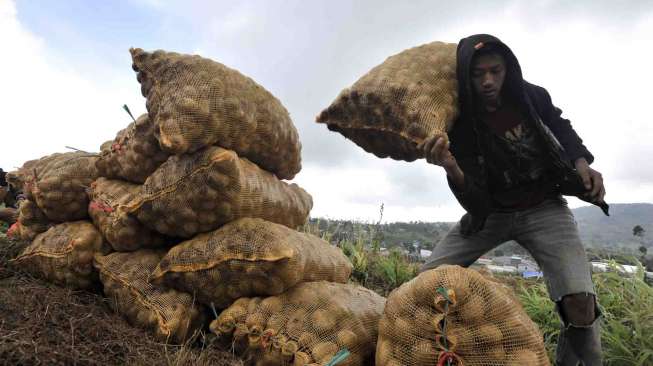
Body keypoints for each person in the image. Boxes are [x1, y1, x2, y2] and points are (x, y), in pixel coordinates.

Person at [418, 34, 607, 365]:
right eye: (478, 75)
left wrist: (582, 164)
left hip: (544, 207)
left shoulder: (529, 97)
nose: (488, 81)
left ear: (508, 69)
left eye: (496, 71)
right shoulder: (459, 123)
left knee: (580, 301)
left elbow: (561, 127)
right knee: (425, 282)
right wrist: (452, 168)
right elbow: (475, 200)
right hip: (490, 214)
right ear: (466, 77)